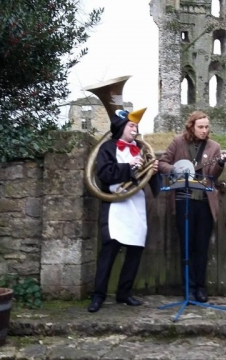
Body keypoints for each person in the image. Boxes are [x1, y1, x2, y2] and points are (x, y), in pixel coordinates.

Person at [87, 107, 160, 313]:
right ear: (120, 127)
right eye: (131, 125)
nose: (134, 128)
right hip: (115, 204)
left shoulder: (141, 148)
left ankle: (124, 293)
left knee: (135, 250)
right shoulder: (108, 148)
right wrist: (129, 166)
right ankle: (98, 295)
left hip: (135, 202)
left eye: (136, 125)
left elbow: (150, 182)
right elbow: (103, 173)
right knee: (108, 251)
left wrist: (152, 172)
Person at [158, 111, 226, 303]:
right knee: (186, 247)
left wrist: (221, 163)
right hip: (184, 201)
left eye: (207, 127)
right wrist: (175, 170)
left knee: (201, 247)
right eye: (201, 127)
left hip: (205, 203)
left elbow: (213, 175)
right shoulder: (178, 142)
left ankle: (200, 287)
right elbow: (162, 163)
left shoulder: (214, 146)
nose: (204, 130)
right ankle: (188, 288)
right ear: (191, 126)